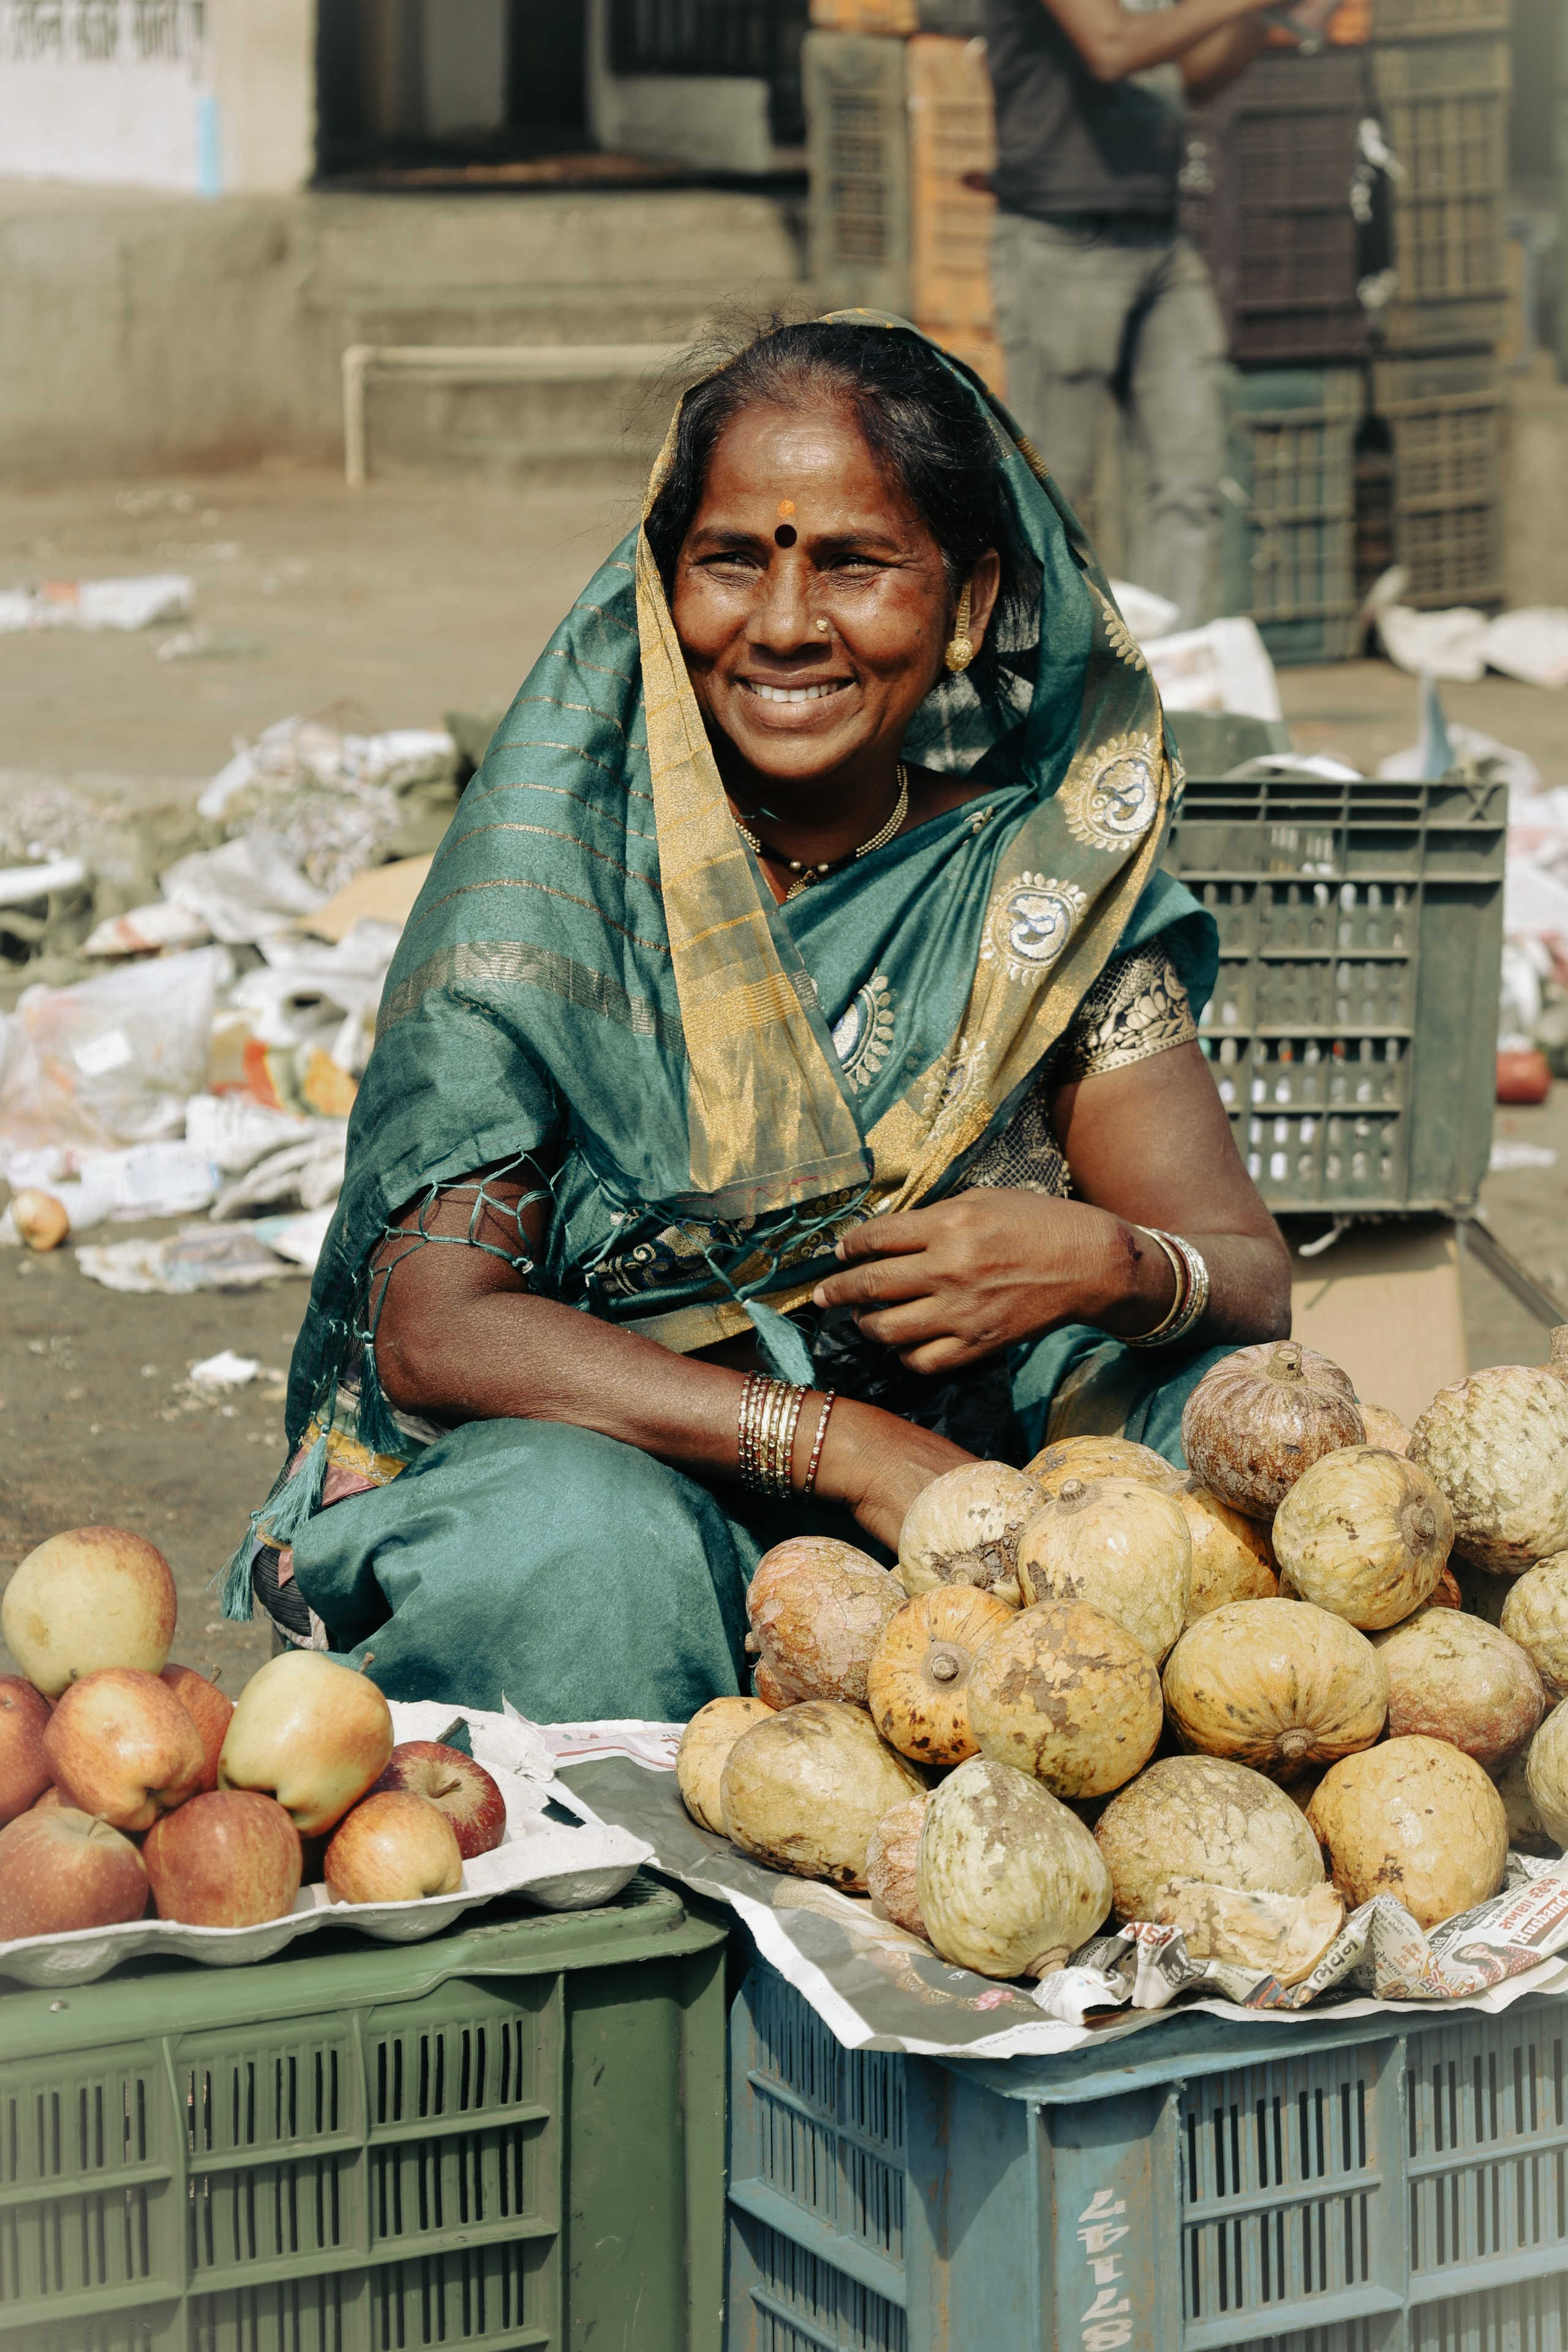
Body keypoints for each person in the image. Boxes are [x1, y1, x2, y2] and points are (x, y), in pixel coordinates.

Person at [227, 316, 1290, 1721]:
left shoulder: (1031, 896)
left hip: (982, 1521)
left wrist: (1100, 1258)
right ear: (662, 589)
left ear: (969, 600)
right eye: (733, 558)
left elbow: (1245, 1276)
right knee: (567, 1546)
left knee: (1224, 1431)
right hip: (647, 1497)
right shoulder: (555, 901)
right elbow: (437, 1330)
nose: (785, 623)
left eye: (852, 562)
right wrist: (833, 1443)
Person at [986, 0, 1335, 624]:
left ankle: (1174, 687)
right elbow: (1112, 47)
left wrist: (1272, 17)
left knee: (1190, 482)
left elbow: (1189, 75)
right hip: (1062, 241)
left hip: (1161, 238)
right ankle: (1035, 682)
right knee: (1053, 486)